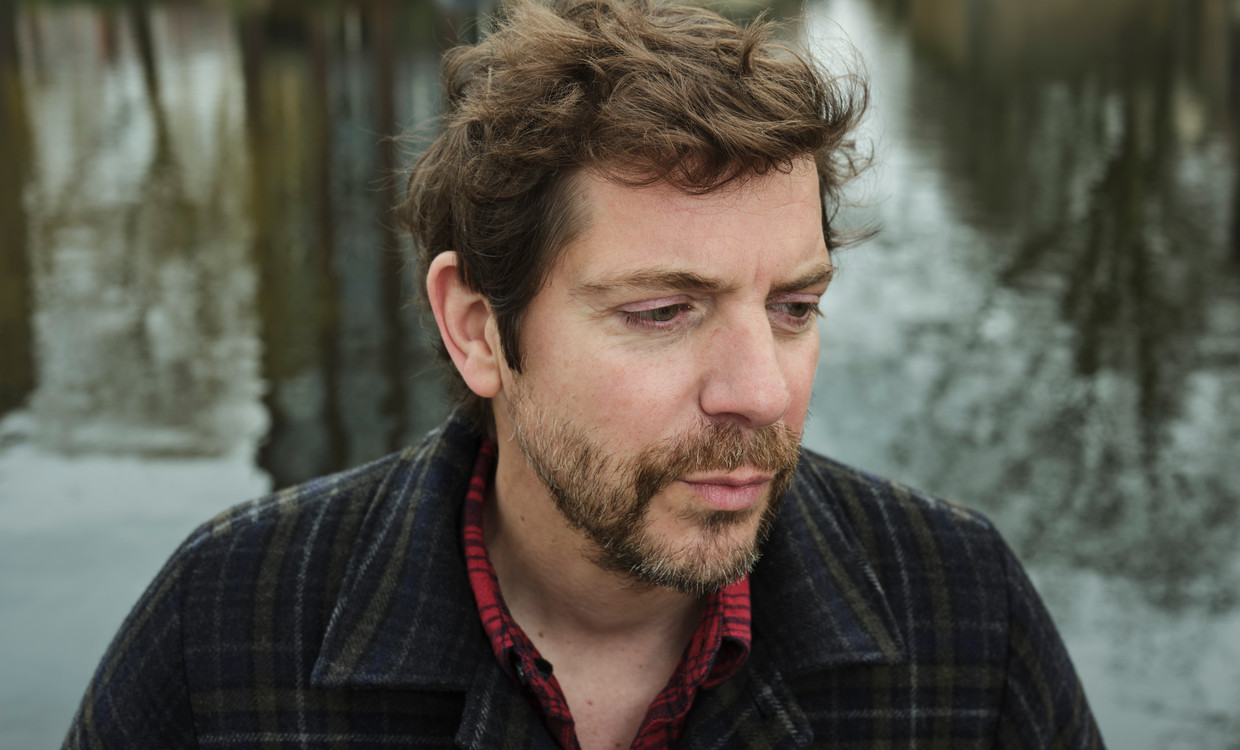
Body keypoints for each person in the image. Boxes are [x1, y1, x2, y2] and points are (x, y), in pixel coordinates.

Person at [64, 0, 1104, 748]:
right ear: (478, 329)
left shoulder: (961, 615)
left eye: (794, 307)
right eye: (661, 312)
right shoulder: (231, 628)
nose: (761, 392)